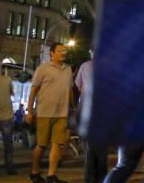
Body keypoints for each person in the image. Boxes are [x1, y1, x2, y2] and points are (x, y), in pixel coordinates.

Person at [27, 42, 74, 183]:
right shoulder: (43, 68)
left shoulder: (68, 70)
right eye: (60, 51)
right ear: (51, 53)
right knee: (41, 145)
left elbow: (70, 90)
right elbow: (33, 91)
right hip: (44, 113)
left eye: (64, 50)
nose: (63, 53)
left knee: (56, 144)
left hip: (62, 113)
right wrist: (30, 112)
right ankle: (34, 172)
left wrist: (72, 107)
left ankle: (51, 176)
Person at [75, 51, 107, 182]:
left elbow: (79, 86)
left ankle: (91, 177)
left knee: (91, 145)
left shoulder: (85, 66)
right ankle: (99, 177)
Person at [0, 62, 16, 174]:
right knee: (8, 144)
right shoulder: (7, 80)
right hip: (6, 115)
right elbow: (12, 93)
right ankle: (10, 168)